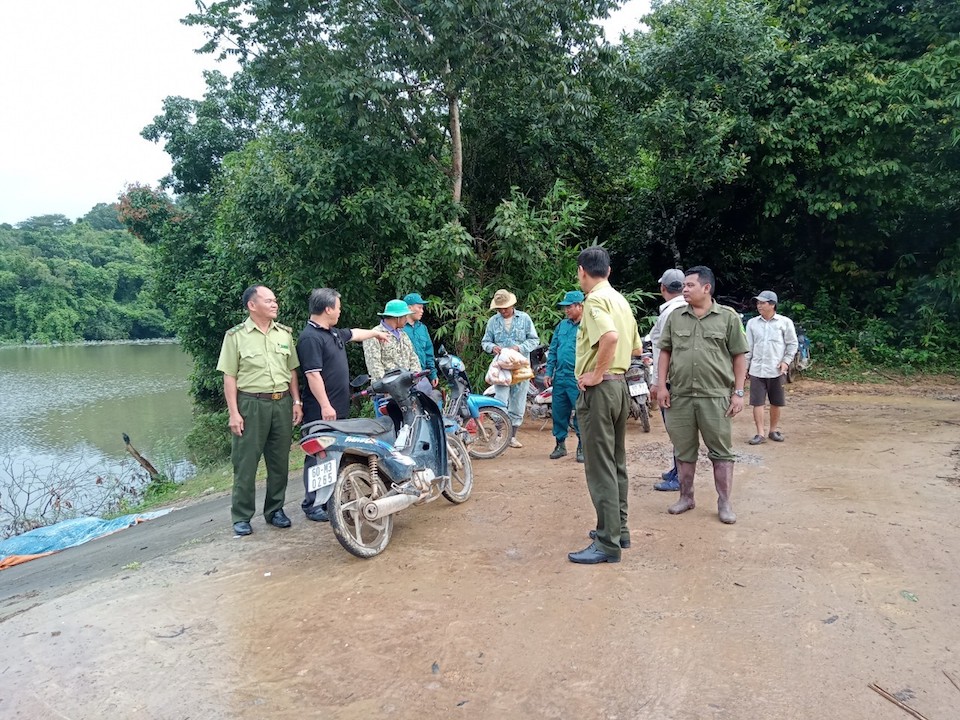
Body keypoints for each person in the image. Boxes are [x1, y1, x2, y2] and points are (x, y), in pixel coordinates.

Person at [656, 266, 749, 524]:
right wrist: (661, 386)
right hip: (681, 396)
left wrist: (738, 393)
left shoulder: (728, 318)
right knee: (684, 450)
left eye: (689, 285)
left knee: (721, 451)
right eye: (683, 286)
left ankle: (725, 502)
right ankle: (686, 497)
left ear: (706, 288)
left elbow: (739, 356)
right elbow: (665, 352)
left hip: (715, 395)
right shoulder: (676, 317)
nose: (684, 289)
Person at [568, 248, 642, 565]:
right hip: (620, 386)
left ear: (583, 271)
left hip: (601, 391)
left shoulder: (596, 301)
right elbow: (636, 347)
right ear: (609, 271)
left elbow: (609, 337)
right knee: (616, 462)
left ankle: (607, 543)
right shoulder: (621, 301)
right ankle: (618, 529)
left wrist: (596, 374)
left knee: (600, 468)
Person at [296, 288, 390, 522]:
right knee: (318, 454)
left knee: (336, 453)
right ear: (328, 309)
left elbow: (355, 333)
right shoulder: (310, 338)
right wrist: (326, 406)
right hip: (322, 410)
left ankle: (333, 498)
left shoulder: (332, 333)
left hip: (339, 407)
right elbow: (313, 375)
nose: (340, 310)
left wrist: (375, 334)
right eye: (338, 306)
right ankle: (312, 504)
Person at [216, 285, 302, 537]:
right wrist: (234, 412)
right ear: (252, 305)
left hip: (282, 403)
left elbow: (291, 371)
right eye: (269, 301)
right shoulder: (236, 336)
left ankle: (275, 510)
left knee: (279, 462)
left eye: (275, 300)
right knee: (246, 463)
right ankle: (242, 516)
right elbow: (229, 377)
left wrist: (296, 402)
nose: (275, 304)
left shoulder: (284, 334)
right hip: (251, 404)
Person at [481, 289, 540, 449]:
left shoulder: (525, 319)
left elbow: (534, 340)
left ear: (512, 305)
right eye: (500, 308)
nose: (503, 311)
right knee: (500, 400)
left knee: (518, 401)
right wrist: (492, 347)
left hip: (520, 366)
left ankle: (512, 436)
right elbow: (485, 342)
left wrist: (519, 348)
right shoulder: (493, 321)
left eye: (505, 308)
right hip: (501, 367)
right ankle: (501, 434)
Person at [649, 269, 688, 491]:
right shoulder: (687, 308)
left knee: (677, 429)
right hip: (683, 377)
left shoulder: (669, 313)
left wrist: (657, 382)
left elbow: (661, 350)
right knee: (678, 429)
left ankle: (679, 476)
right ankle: (677, 469)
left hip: (672, 380)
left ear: (663, 288)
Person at [745, 290, 798, 445]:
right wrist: (745, 368)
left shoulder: (784, 322)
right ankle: (760, 433)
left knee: (776, 401)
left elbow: (792, 344)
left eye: (763, 303)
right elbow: (748, 347)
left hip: (776, 369)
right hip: (757, 369)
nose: (759, 305)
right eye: (758, 303)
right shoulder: (752, 323)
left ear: (772, 305)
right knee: (757, 402)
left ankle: (773, 430)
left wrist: (786, 361)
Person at [545, 290, 584, 463]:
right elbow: (553, 350)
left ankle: (582, 446)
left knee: (581, 412)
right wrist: (548, 371)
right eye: (565, 307)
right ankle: (560, 445)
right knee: (559, 412)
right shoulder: (562, 326)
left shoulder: (588, 326)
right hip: (560, 376)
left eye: (569, 306)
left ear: (580, 306)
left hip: (578, 377)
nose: (566, 310)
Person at [362, 300, 422, 381]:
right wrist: (386, 385)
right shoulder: (374, 335)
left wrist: (415, 377)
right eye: (405, 316)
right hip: (387, 389)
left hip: (407, 386)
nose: (407, 319)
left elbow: (413, 357)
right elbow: (374, 366)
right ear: (397, 317)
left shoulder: (403, 335)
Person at [402, 292, 441, 403]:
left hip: (421, 376)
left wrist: (433, 373)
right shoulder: (400, 328)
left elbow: (429, 352)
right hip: (405, 378)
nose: (422, 310)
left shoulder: (422, 328)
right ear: (409, 308)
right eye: (419, 307)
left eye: (422, 307)